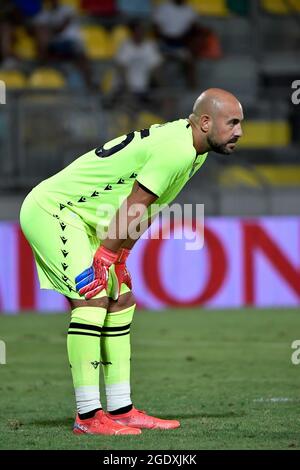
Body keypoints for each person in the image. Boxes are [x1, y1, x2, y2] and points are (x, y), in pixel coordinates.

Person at [19, 88, 243, 436]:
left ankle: (121, 409)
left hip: (88, 221)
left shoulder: (193, 151)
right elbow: (136, 203)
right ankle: (88, 416)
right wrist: (107, 254)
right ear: (204, 122)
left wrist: (121, 256)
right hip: (55, 210)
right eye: (232, 122)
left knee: (121, 298)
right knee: (92, 296)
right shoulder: (178, 150)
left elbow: (149, 207)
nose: (240, 131)